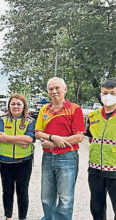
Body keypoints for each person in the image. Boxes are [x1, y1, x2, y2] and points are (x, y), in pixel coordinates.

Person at [35, 77, 85, 220]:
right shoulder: (44, 109)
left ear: (65, 89)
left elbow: (79, 137)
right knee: (46, 197)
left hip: (67, 158)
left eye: (57, 88)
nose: (54, 91)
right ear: (48, 91)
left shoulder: (75, 109)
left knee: (65, 199)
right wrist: (52, 138)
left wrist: (54, 143)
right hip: (48, 157)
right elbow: (38, 132)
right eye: (51, 89)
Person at [86, 78, 116, 220]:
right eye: (105, 92)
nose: (108, 96)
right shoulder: (92, 117)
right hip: (95, 170)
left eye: (112, 93)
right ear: (100, 94)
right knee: (96, 208)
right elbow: (90, 139)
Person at [0, 93, 35, 220]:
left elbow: (29, 139)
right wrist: (20, 140)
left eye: (19, 104)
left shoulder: (30, 121)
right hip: (5, 161)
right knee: (7, 191)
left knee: (22, 192)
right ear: (9, 105)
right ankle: (8, 217)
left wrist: (7, 138)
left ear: (24, 106)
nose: (16, 106)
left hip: (24, 162)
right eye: (13, 104)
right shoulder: (2, 119)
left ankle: (22, 217)